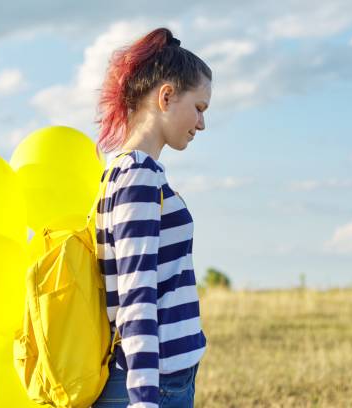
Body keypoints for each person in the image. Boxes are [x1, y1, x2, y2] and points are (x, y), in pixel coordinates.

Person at [92, 27, 212, 408]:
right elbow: (136, 294)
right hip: (152, 385)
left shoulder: (128, 172)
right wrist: (144, 400)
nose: (201, 124)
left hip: (166, 380)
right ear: (166, 96)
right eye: (199, 108)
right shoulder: (138, 176)